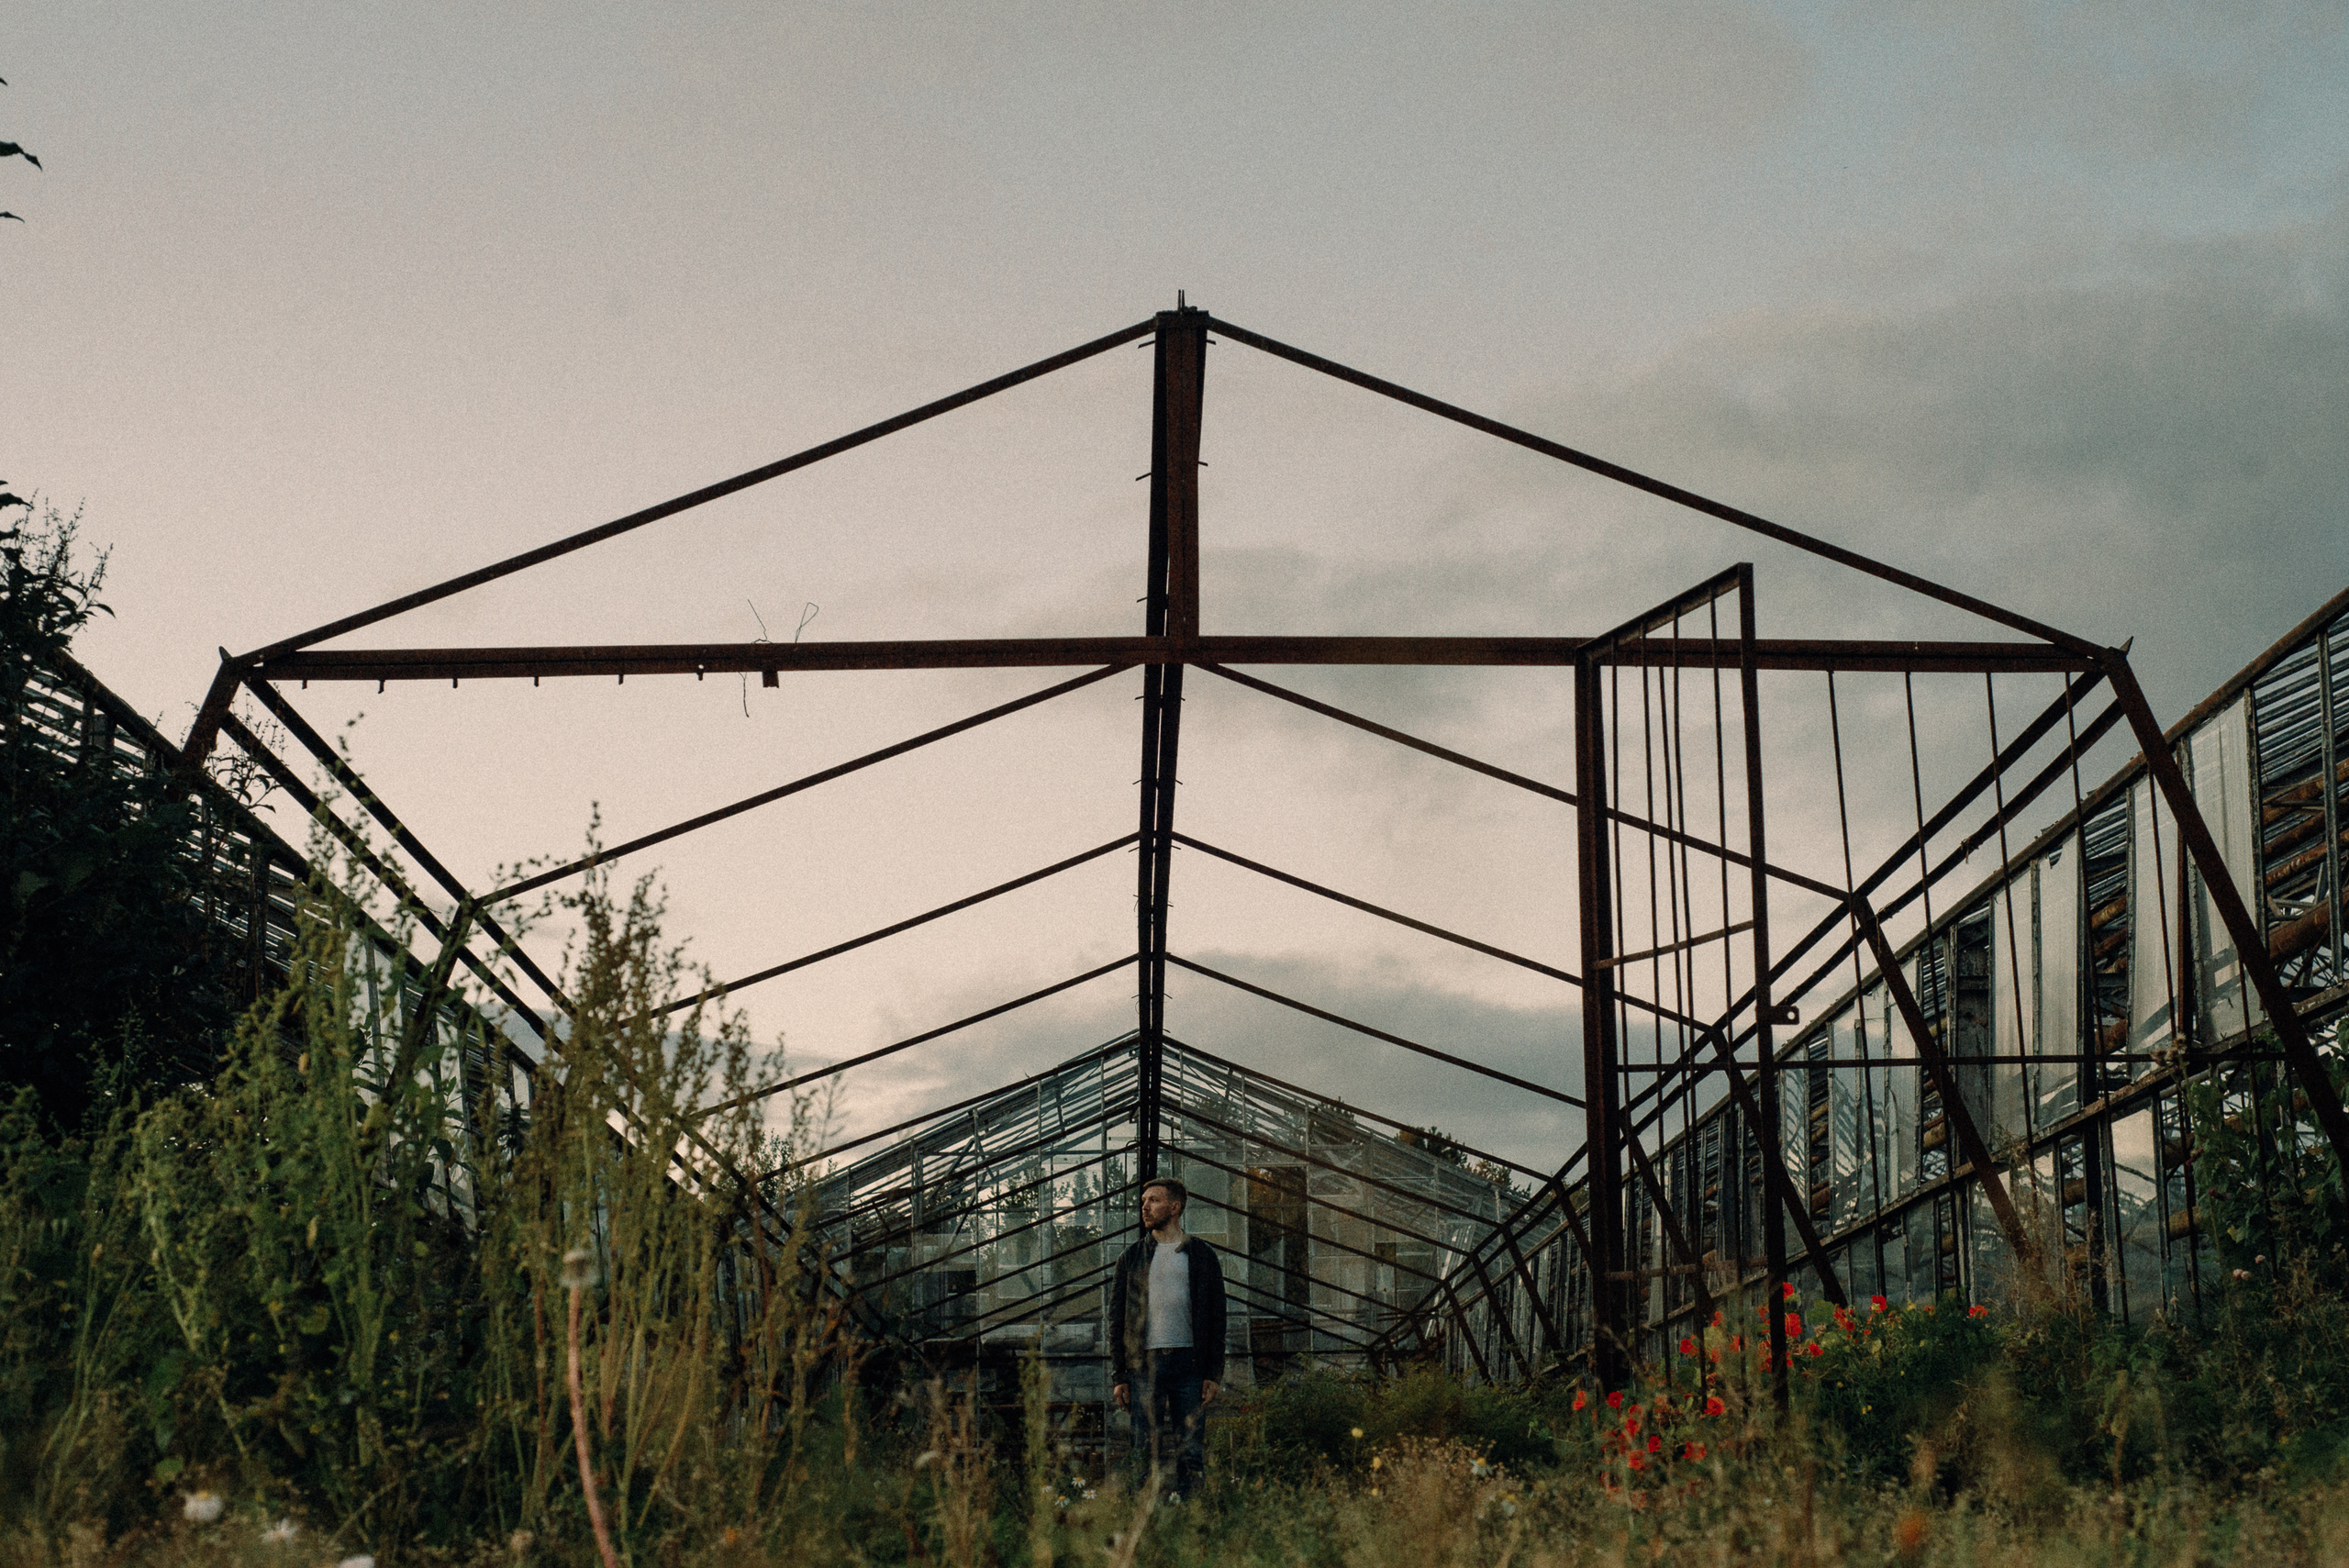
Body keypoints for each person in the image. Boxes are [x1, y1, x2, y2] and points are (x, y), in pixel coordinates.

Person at [1108, 1175, 1226, 1500]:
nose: (1145, 1207)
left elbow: (1217, 1319)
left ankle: (1192, 1527)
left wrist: (1213, 1373)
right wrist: (1120, 1375)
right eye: (1144, 1201)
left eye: (1154, 1200)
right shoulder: (1131, 1258)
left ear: (1175, 1208)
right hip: (1143, 1368)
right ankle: (1145, 1530)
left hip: (1189, 1365)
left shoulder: (1202, 1256)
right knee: (1144, 1452)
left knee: (1191, 1452)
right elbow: (1116, 1320)